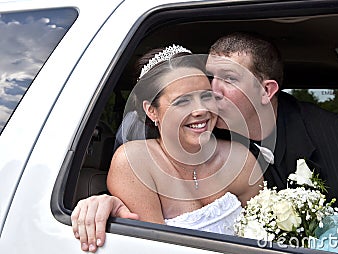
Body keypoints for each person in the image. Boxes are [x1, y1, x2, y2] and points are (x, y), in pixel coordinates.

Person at [72, 33, 338, 252]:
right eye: (208, 80)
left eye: (223, 82)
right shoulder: (150, 154)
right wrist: (105, 202)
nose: (208, 100)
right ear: (152, 111)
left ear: (266, 91)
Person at [72, 44, 265, 252]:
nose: (200, 110)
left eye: (206, 96)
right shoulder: (135, 162)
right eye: (183, 101)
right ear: (152, 111)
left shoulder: (240, 159)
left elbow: (264, 236)